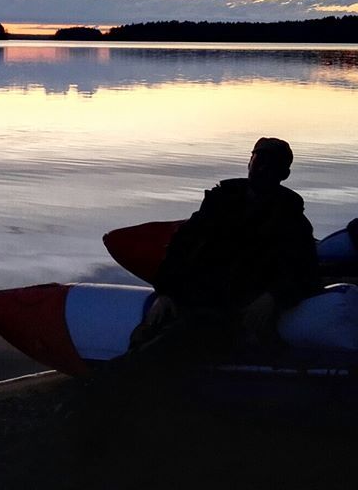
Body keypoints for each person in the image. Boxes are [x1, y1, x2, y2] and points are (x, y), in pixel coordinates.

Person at [128, 137, 320, 363]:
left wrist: (274, 296)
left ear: (284, 174)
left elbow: (306, 272)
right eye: (258, 161)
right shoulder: (217, 204)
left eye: (272, 165)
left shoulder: (292, 221)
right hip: (195, 298)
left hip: (236, 312)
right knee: (146, 334)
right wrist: (165, 292)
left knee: (175, 343)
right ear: (249, 163)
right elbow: (180, 248)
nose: (262, 169)